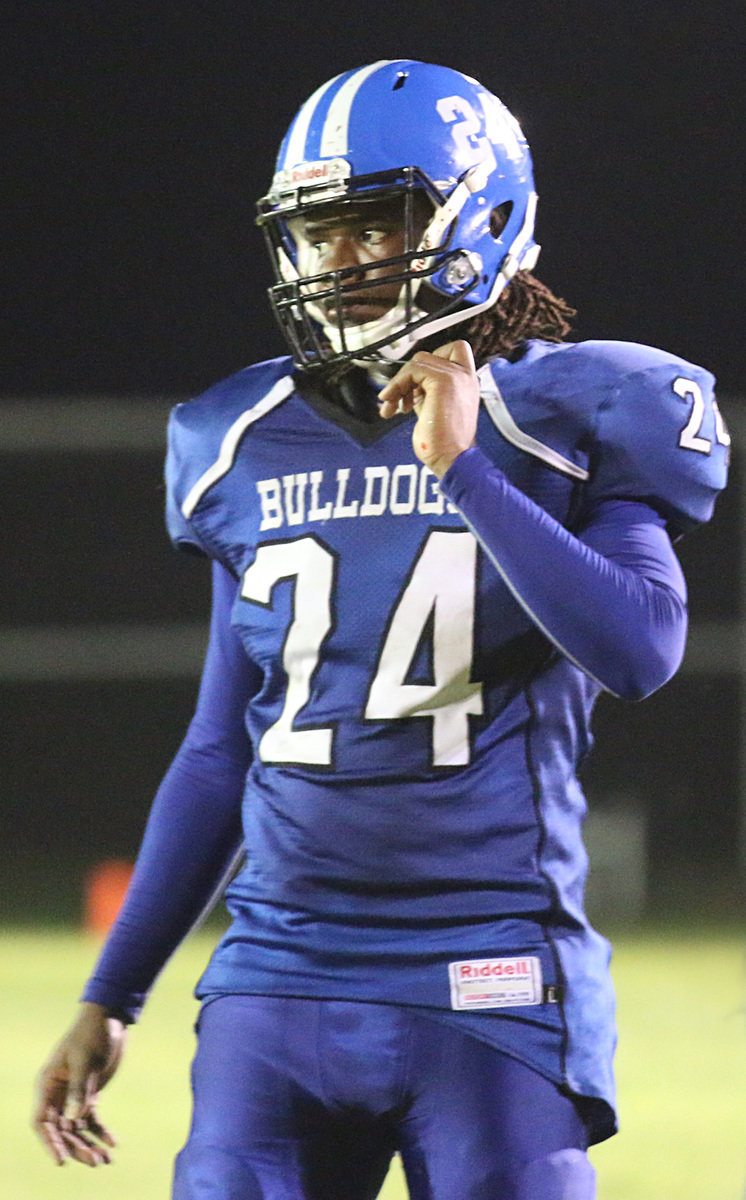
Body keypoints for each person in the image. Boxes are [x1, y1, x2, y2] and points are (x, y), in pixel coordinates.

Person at [34, 59, 729, 1199]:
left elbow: (642, 646)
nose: (342, 259)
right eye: (320, 231)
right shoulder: (239, 434)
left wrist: (465, 472)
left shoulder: (572, 409)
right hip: (275, 976)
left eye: (378, 222)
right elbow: (222, 746)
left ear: (484, 215)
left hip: (490, 974)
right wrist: (112, 997)